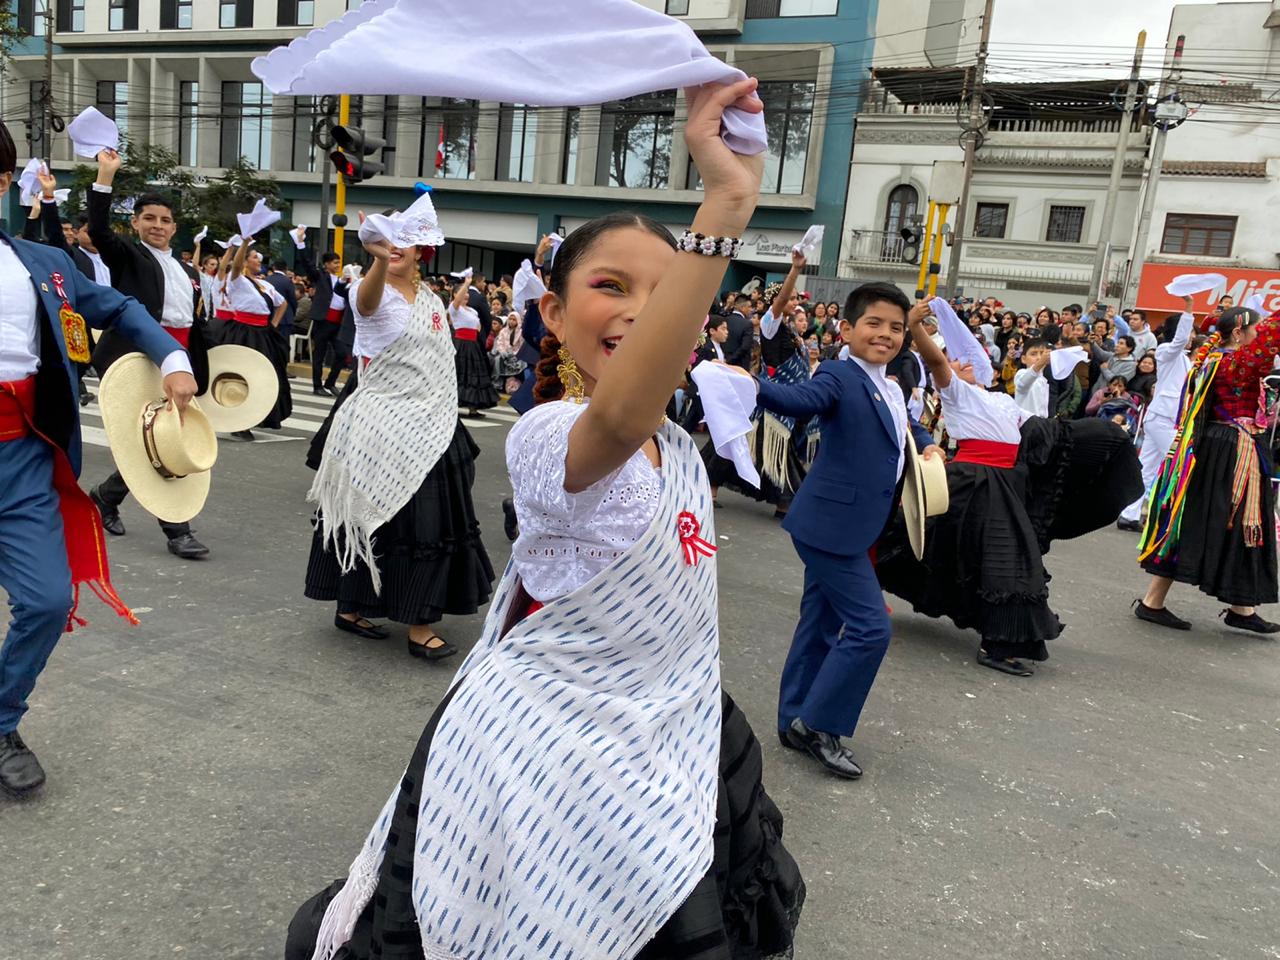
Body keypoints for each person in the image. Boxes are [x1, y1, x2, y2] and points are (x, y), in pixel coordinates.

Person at [286, 78, 805, 960]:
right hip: (544, 762)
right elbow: (619, 416)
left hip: (665, 738)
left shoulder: (677, 445)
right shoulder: (552, 432)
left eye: (665, 288)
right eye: (610, 286)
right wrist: (727, 202)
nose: (641, 308)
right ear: (555, 316)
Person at [0, 119, 198, 796]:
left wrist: (171, 356)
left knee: (49, 600)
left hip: (22, 455)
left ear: (2, 182)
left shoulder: (42, 264)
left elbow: (116, 305)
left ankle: (1, 719)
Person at [743, 282, 943, 778]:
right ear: (847, 329)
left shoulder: (891, 385)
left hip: (856, 524)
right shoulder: (838, 373)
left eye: (897, 327)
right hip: (829, 528)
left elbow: (903, 425)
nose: (886, 334)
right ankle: (820, 725)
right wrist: (746, 383)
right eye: (874, 323)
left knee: (819, 624)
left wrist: (925, 443)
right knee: (872, 628)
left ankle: (793, 719)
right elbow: (798, 398)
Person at [305, 202, 495, 662]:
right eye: (386, 239)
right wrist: (375, 256)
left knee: (425, 523)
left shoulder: (430, 299)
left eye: (402, 241)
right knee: (382, 518)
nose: (394, 249)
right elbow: (366, 303)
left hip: (431, 423)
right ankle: (362, 609)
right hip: (381, 427)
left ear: (421, 249)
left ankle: (413, 614)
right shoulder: (372, 293)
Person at [876, 300, 1063, 676]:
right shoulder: (956, 392)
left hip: (1005, 486)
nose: (965, 366)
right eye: (960, 362)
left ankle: (997, 635)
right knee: (990, 559)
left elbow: (1044, 433)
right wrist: (915, 328)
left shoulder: (1001, 401)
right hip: (973, 482)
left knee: (978, 556)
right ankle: (996, 645)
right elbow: (937, 362)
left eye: (972, 362)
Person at [84, 146, 210, 561]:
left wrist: (198, 363)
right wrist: (106, 175)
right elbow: (100, 232)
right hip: (138, 356)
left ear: (175, 228)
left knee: (152, 438)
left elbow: (193, 320)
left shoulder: (188, 269)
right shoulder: (129, 255)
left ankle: (105, 497)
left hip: (178, 357)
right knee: (162, 436)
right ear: (135, 223)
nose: (158, 226)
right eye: (150, 219)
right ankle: (177, 529)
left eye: (165, 220)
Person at [1137, 306, 1280, 633]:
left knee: (1211, 522)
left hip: (1223, 449)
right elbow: (1271, 338)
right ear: (1239, 333)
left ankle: (1240, 607)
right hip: (1229, 452)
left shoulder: (1213, 360)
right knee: (1229, 523)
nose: (1259, 337)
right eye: (1254, 331)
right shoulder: (1234, 363)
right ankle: (1156, 602)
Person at [1118, 300, 1195, 532]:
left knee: (1147, 469)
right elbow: (1180, 341)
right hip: (1163, 418)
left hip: (1165, 418)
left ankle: (1128, 514)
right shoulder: (1165, 351)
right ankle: (1172, 516)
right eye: (1189, 331)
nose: (1191, 336)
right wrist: (1189, 310)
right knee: (1180, 464)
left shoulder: (1184, 358)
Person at [218, 235, 293, 441]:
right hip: (244, 331)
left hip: (263, 332)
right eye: (254, 257)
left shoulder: (266, 285)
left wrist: (275, 323)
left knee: (266, 375)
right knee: (243, 375)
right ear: (245, 261)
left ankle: (258, 416)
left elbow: (283, 303)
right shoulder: (237, 280)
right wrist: (243, 244)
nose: (258, 261)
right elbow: (234, 266)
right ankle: (239, 421)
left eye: (259, 258)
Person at [296, 229, 349, 396]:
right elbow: (307, 263)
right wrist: (301, 243)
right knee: (319, 355)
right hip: (323, 320)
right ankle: (317, 386)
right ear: (326, 264)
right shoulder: (320, 276)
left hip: (338, 323)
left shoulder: (344, 280)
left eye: (338, 263)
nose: (337, 265)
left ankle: (330, 383)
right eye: (334, 262)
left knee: (341, 354)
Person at [449, 273, 501, 417]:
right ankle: (452, 404)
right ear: (455, 294)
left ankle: (473, 407)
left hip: (473, 344)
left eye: (467, 293)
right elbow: (457, 302)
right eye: (463, 293)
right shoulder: (454, 309)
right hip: (460, 344)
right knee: (459, 375)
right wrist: (466, 283)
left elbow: (478, 327)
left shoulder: (472, 310)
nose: (466, 295)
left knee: (474, 376)